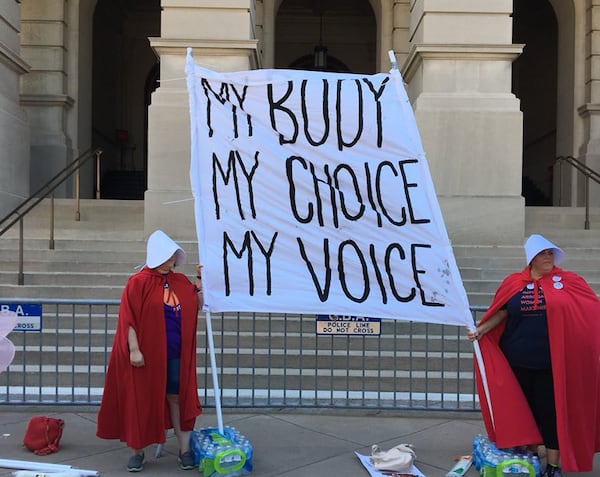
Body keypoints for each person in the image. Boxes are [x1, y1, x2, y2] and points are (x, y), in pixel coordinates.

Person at [468, 234, 600, 476]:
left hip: (552, 363)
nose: (548, 257)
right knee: (524, 411)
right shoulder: (514, 282)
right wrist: (481, 330)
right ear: (532, 259)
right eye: (543, 254)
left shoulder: (568, 281)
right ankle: (529, 456)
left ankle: (553, 464)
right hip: (516, 361)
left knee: (550, 412)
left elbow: (590, 308)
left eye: (551, 253)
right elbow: (503, 311)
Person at [97, 230, 203, 472]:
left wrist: (199, 280)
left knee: (178, 397)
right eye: (168, 256)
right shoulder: (138, 282)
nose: (172, 261)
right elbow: (128, 319)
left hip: (176, 353)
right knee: (140, 400)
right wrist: (134, 349)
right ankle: (137, 451)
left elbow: (196, 303)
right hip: (146, 356)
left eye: (173, 256)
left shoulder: (179, 281)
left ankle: (184, 450)